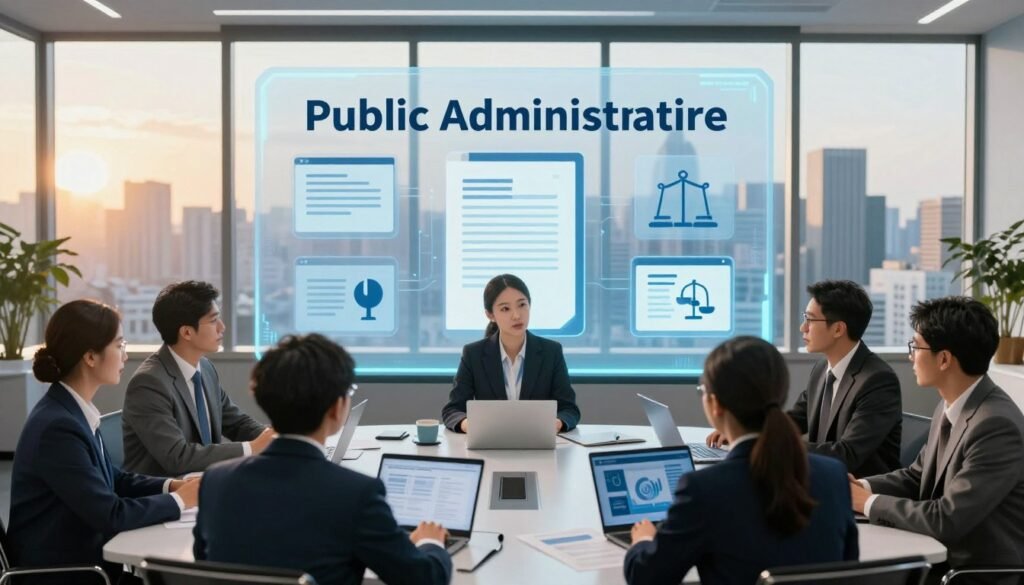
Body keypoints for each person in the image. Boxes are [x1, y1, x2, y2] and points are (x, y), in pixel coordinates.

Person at [193, 333, 452, 585]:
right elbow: (426, 578)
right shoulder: (357, 494)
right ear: (337, 407)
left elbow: (205, 564)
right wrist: (431, 542)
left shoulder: (215, 480)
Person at [625, 336, 859, 585]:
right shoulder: (834, 476)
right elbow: (849, 570)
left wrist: (644, 541)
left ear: (714, 403)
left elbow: (645, 577)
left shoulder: (703, 490)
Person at [7, 300, 200, 585]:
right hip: (67, 573)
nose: (125, 355)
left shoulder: (71, 410)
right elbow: (111, 514)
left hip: (84, 559)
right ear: (90, 357)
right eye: (119, 345)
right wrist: (179, 501)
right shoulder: (58, 427)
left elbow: (113, 478)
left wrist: (171, 486)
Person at [850, 297, 1024, 585]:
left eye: (915, 346)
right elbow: (917, 475)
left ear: (944, 359)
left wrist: (868, 502)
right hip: (939, 561)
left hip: (970, 575)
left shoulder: (996, 425)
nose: (910, 356)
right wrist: (860, 487)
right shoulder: (952, 405)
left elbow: (947, 519)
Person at [707, 279, 902, 477]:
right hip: (821, 477)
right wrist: (744, 432)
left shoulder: (877, 381)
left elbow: (848, 454)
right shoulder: (821, 369)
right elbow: (795, 419)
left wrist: (768, 443)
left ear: (838, 329)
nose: (803, 328)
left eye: (810, 320)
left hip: (858, 490)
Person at [122, 280, 273, 476]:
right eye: (213, 320)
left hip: (204, 481)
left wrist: (279, 439)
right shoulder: (148, 384)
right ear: (186, 332)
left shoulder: (205, 368)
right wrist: (252, 448)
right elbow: (178, 457)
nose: (222, 327)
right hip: (166, 494)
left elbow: (237, 423)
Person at [441, 273, 581, 433]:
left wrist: (557, 423)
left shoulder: (551, 352)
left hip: (538, 446)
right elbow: (452, 411)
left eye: (522, 305)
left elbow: (569, 410)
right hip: (490, 445)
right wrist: (470, 425)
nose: (517, 315)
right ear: (490, 314)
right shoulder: (473, 354)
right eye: (505, 309)